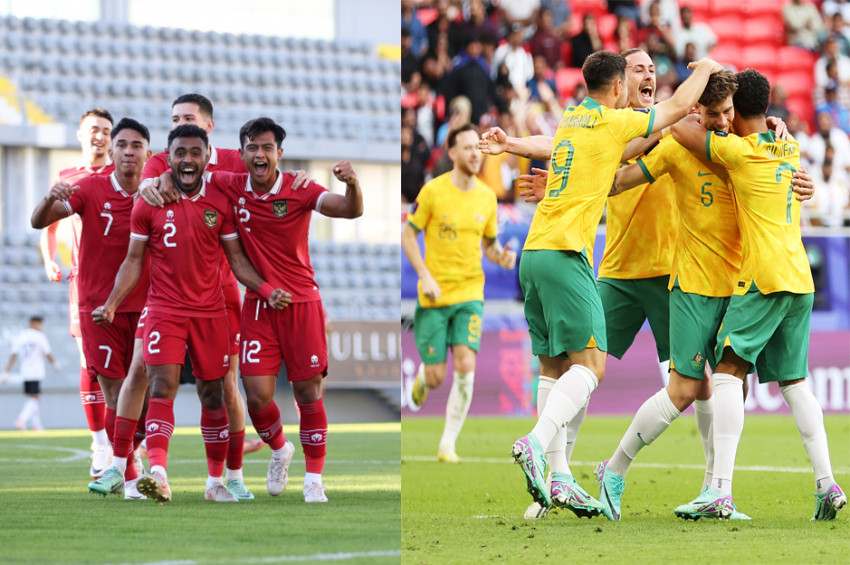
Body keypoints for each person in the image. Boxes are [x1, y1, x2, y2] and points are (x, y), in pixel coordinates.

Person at [501, 50, 723, 517]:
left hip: (666, 272)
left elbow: (570, 149)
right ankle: (553, 467)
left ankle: (711, 485)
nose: (645, 74)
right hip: (613, 270)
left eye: (650, 69)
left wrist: (535, 163)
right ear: (620, 82)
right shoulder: (622, 123)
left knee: (694, 383)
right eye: (635, 69)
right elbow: (617, 170)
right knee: (581, 367)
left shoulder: (597, 122)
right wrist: (704, 69)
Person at [593, 71, 815, 521]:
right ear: (697, 111)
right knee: (685, 390)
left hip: (742, 287)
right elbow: (620, 182)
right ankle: (614, 470)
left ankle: (717, 491)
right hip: (695, 286)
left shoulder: (752, 147)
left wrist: (794, 163)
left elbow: (783, 171)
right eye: (712, 115)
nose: (720, 122)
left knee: (730, 387)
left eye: (728, 113)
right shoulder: (679, 147)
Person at [140, 117, 363, 503]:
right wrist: (153, 180)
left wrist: (353, 183)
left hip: (301, 302)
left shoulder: (301, 186)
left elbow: (348, 210)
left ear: (280, 152)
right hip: (259, 303)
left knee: (308, 393)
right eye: (252, 148)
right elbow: (182, 170)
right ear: (242, 155)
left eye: (267, 147)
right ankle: (280, 447)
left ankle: (314, 479)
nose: (260, 154)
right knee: (256, 395)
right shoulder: (228, 184)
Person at [669, 68, 846, 521]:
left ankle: (720, 491)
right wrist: (772, 123)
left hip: (763, 277)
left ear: (735, 110)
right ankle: (826, 483)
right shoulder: (788, 144)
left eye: (726, 110)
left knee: (728, 371)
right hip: (800, 278)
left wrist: (697, 99)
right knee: (795, 382)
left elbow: (676, 126)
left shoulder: (736, 152)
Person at [92, 124, 290, 504]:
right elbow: (133, 262)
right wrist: (113, 302)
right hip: (165, 308)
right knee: (160, 385)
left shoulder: (220, 199)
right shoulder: (148, 201)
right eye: (179, 153)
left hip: (211, 312)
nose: (187, 160)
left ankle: (218, 482)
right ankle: (158, 473)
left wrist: (264, 289)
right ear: (168, 158)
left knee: (214, 393)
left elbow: (236, 259)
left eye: (194, 153)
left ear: (206, 156)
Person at [31, 118, 154, 500]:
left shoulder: (156, 193)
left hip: (148, 305)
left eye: (137, 145)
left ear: (147, 153)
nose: (129, 151)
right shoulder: (88, 187)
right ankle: (129, 476)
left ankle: (123, 457)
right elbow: (39, 222)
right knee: (115, 392)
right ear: (112, 151)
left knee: (146, 400)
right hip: (98, 307)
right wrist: (51, 197)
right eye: (122, 144)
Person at [402, 123, 517, 462]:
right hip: (436, 297)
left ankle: (447, 445)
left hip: (470, 294)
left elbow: (491, 246)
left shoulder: (487, 196)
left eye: (477, 148)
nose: (474, 154)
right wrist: (425, 276)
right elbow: (408, 236)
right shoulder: (433, 192)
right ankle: (424, 377)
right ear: (451, 153)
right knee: (437, 376)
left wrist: (503, 257)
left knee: (466, 365)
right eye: (467, 148)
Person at [38, 107, 115, 477]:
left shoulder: (124, 176)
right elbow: (48, 226)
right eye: (93, 129)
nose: (99, 135)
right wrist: (49, 260)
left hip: (127, 281)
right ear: (80, 135)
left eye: (105, 130)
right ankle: (100, 442)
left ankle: (129, 440)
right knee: (90, 363)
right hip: (84, 283)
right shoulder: (68, 177)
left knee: (132, 365)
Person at [2, 317, 59, 431]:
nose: (41, 327)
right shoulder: (40, 336)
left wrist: (6, 372)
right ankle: (21, 419)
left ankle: (36, 425)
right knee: (35, 398)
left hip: (25, 371)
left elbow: (13, 355)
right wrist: (54, 364)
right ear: (35, 323)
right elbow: (48, 353)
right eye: (40, 325)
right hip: (36, 371)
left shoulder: (21, 336)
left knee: (32, 397)